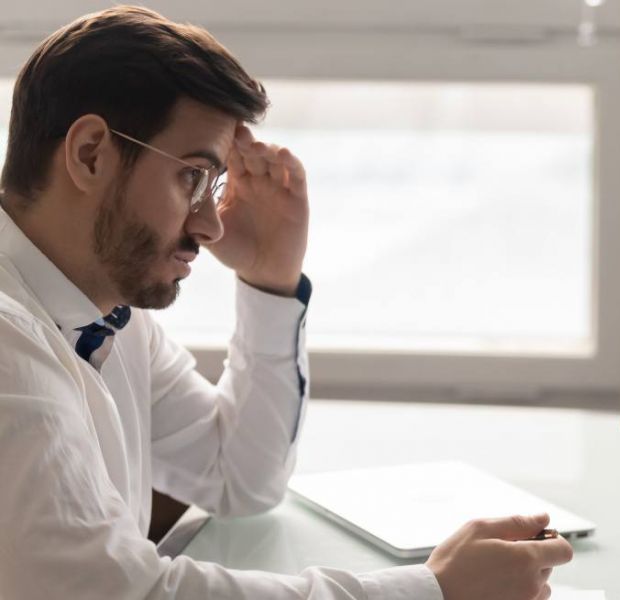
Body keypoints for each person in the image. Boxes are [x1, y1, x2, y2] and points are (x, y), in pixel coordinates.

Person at [0, 6, 571, 599]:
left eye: (214, 187)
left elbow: (239, 476)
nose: (210, 225)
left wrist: (269, 280)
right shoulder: (8, 345)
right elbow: (124, 595)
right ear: (91, 153)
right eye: (192, 178)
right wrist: (433, 591)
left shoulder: (104, 312)